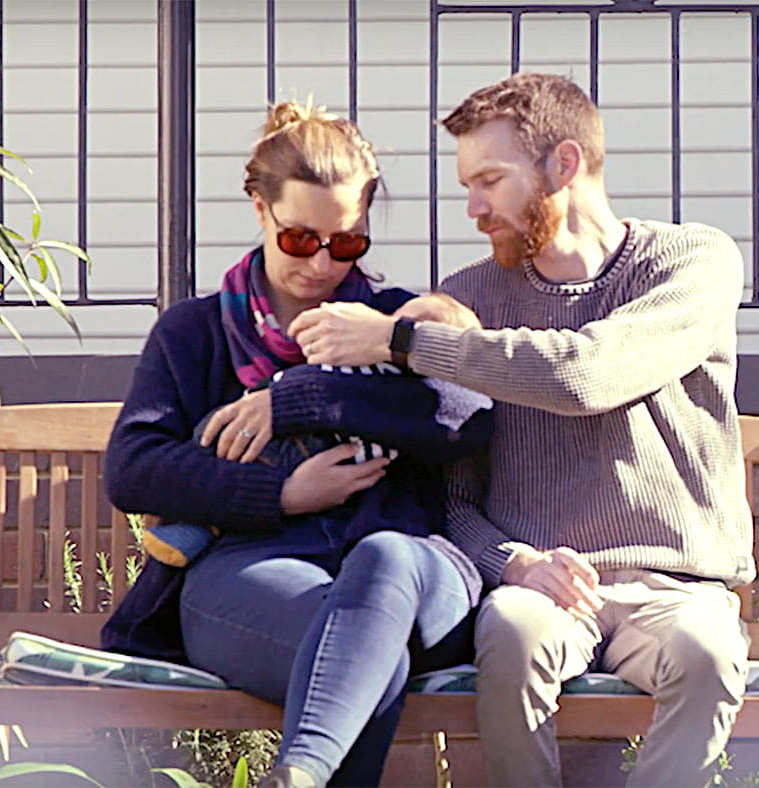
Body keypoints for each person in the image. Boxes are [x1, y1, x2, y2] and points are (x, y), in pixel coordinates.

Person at [289, 73, 754, 788]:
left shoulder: (692, 263)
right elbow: (451, 496)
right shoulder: (468, 298)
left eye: (491, 181)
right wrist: (514, 562)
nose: (473, 208)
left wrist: (403, 341)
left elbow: (587, 376)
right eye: (466, 185)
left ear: (563, 165)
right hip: (536, 581)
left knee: (710, 654)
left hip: (677, 588)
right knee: (510, 629)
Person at [101, 101, 493, 788]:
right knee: (374, 661)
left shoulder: (396, 320)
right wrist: (279, 491)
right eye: (300, 239)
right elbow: (135, 468)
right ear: (260, 209)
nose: (320, 263)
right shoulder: (195, 334)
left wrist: (297, 399)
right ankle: (302, 775)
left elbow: (468, 419)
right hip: (255, 569)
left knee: (384, 561)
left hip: (413, 570)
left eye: (346, 243)